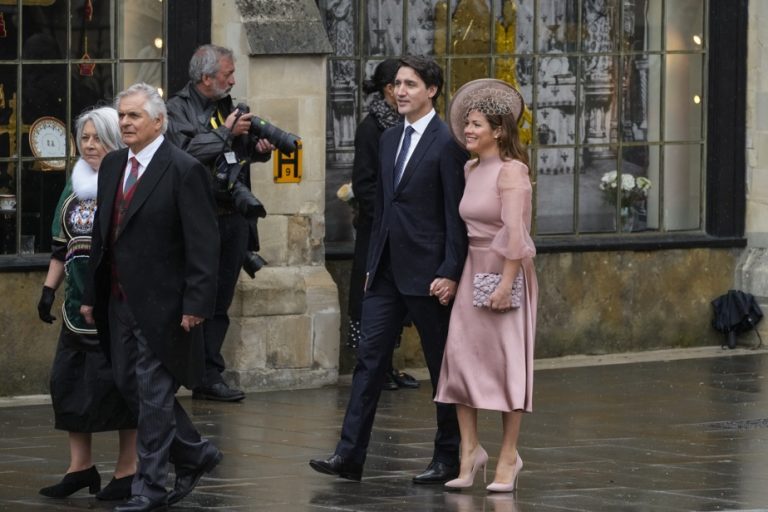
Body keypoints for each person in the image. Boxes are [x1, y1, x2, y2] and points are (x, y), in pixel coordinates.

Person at [309, 55, 469, 484]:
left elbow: (456, 214)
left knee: (441, 369)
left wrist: (451, 270)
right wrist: (370, 263)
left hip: (430, 274)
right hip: (383, 274)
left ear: (431, 90)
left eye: (410, 85)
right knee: (368, 361)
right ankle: (349, 454)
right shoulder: (387, 138)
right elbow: (381, 208)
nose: (400, 91)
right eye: (397, 84)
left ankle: (447, 456)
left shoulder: (448, 141)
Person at [80, 83, 221, 512]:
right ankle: (195, 452)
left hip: (165, 304)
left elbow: (203, 244)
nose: (124, 122)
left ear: (158, 121)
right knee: (129, 386)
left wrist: (197, 304)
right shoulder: (113, 165)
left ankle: (150, 489)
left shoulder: (183, 169)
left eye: (134, 116)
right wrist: (91, 293)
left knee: (154, 394)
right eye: (121, 115)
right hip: (118, 301)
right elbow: (102, 235)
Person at [434, 78, 538, 493]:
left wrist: (505, 283)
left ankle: (508, 457)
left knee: (506, 365)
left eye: (476, 124)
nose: (468, 131)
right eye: (467, 124)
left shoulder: (513, 173)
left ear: (499, 129)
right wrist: (456, 278)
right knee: (461, 362)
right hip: (473, 270)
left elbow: (517, 233)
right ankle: (470, 451)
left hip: (505, 271)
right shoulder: (470, 167)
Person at [36, 106, 137, 501]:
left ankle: (128, 469)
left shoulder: (127, 182)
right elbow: (60, 247)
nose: (90, 144)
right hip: (76, 305)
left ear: (114, 139)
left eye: (98, 137)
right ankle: (80, 467)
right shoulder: (74, 184)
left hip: (115, 306)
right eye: (86, 137)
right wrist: (48, 290)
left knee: (120, 388)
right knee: (67, 385)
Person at [166, 44, 274, 402]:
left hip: (233, 219)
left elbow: (231, 160)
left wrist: (256, 151)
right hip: (198, 222)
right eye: (227, 74)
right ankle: (189, 370)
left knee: (220, 302)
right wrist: (226, 132)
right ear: (206, 77)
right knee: (196, 299)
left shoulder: (229, 106)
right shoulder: (176, 109)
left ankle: (209, 375)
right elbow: (186, 154)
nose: (233, 80)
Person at [348, 58, 418, 391]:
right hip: (377, 231)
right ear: (389, 89)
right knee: (374, 299)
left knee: (396, 301)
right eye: (401, 84)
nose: (406, 91)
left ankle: (389, 367)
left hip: (401, 232)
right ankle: (375, 369)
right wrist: (390, 217)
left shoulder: (406, 125)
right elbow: (363, 185)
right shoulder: (372, 127)